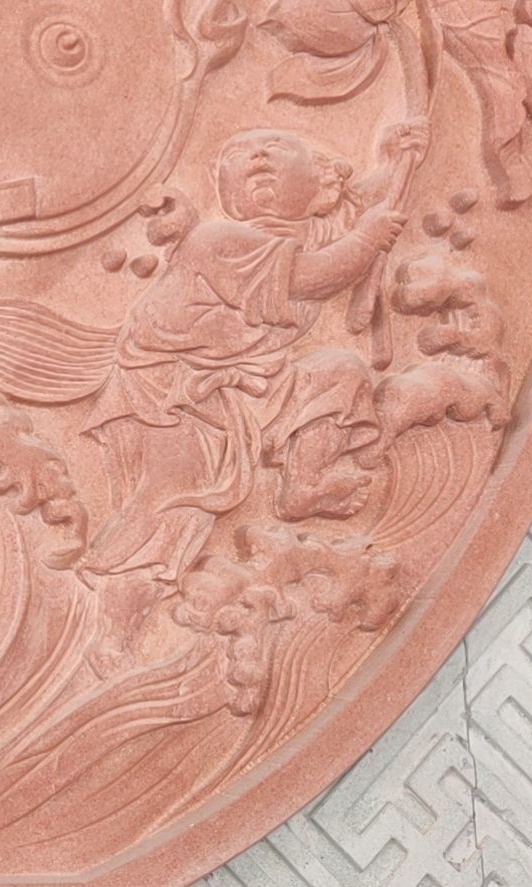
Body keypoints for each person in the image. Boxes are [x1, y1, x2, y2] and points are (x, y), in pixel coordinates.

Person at [76, 126, 418, 668]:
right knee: (170, 510)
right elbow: (312, 277)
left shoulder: (315, 226)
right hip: (169, 393)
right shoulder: (219, 240)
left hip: (247, 384)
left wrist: (396, 160)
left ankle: (304, 484)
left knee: (338, 373)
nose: (256, 155)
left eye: (276, 149)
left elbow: (358, 199)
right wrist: (368, 239)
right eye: (239, 155)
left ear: (319, 186)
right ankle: (111, 636)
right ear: (225, 191)